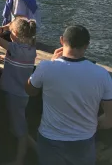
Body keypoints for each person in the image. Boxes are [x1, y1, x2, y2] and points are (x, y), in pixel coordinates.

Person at [26, 25, 112, 165]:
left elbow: (30, 90)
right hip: (83, 142)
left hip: (50, 140)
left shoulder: (46, 67)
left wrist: (52, 62)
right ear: (87, 45)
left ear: (61, 40)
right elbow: (109, 119)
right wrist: (94, 125)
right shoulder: (102, 75)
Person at [0, 17, 37, 165]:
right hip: (21, 94)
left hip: (13, 94)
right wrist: (5, 57)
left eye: (11, 32)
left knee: (20, 130)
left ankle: (19, 160)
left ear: (15, 33)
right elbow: (19, 61)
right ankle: (39, 150)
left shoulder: (14, 48)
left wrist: (4, 28)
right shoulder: (31, 50)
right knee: (17, 125)